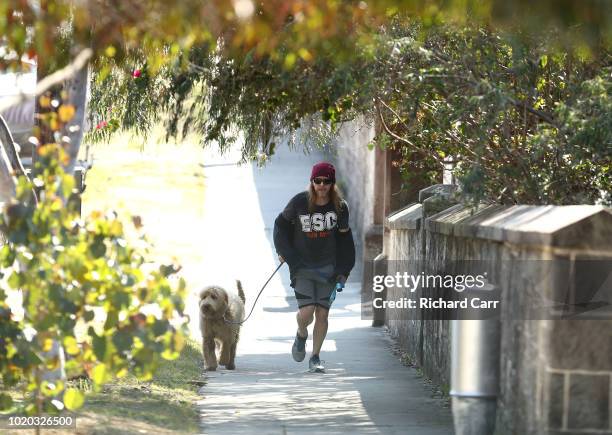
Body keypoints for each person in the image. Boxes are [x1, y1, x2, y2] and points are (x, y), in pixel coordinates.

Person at [273, 162, 355, 371]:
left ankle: (315, 357)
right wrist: (286, 253)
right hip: (301, 266)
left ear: (332, 183)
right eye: (317, 181)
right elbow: (280, 226)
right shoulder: (299, 202)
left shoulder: (340, 207)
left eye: (326, 181)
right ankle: (301, 333)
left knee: (323, 314)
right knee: (307, 312)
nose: (321, 185)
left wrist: (344, 270)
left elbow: (346, 240)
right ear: (312, 182)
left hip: (329, 268)